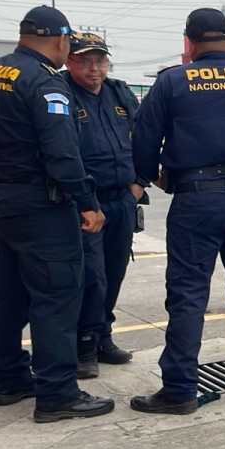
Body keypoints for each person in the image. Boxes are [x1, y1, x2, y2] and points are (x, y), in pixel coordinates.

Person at [130, 8, 225, 414]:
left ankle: (180, 389)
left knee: (188, 295)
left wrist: (150, 176)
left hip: (197, 197)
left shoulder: (173, 82)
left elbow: (143, 139)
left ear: (189, 43)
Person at [0, 6, 114, 423]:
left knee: (7, 296)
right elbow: (62, 154)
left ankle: (8, 378)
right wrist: (87, 202)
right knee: (57, 297)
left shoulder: (1, 71)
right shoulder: (47, 85)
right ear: (62, 40)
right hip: (40, 208)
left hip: (3, 205)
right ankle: (58, 393)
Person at [63, 32, 141, 378]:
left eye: (100, 60)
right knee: (90, 276)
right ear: (70, 61)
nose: (94, 68)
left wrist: (138, 184)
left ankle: (103, 335)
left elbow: (145, 137)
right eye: (85, 60)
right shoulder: (61, 93)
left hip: (122, 198)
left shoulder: (119, 93)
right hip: (85, 202)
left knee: (114, 271)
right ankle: (83, 342)